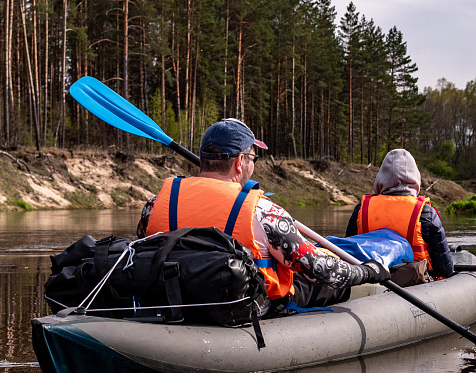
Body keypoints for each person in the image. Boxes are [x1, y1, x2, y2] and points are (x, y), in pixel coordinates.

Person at [137, 118, 389, 313]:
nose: (253, 164)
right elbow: (321, 270)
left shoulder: (155, 204)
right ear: (239, 163)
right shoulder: (264, 211)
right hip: (244, 308)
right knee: (312, 283)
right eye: (253, 157)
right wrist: (366, 272)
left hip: (172, 302)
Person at [346, 149, 454, 278]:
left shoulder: (361, 209)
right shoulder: (426, 213)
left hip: (370, 279)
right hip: (415, 281)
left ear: (381, 177)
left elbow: (347, 253)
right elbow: (445, 269)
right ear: (415, 177)